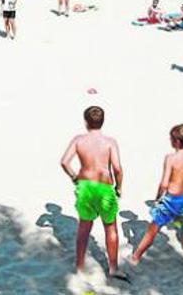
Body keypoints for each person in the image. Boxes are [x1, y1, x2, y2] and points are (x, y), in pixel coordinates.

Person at [59, 106, 128, 282]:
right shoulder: (110, 142)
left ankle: (80, 267)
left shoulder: (78, 140)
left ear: (85, 121)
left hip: (85, 186)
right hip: (104, 187)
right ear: (102, 121)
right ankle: (113, 268)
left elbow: (65, 162)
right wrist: (119, 187)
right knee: (110, 226)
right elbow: (118, 168)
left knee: (84, 227)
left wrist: (74, 177)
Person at [129, 124, 183, 278]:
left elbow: (164, 183)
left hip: (171, 200)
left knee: (153, 230)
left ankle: (136, 257)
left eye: (171, 138)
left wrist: (157, 198)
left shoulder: (170, 158)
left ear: (176, 141)